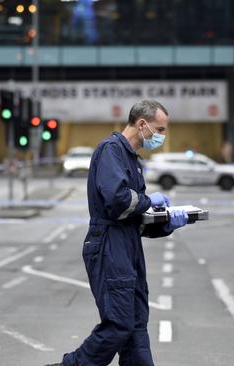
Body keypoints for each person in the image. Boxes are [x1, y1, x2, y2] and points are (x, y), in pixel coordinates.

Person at [47, 100, 189, 366]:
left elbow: (135, 217)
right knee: (120, 324)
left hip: (126, 244)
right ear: (142, 124)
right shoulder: (111, 151)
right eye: (160, 129)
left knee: (136, 325)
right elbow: (118, 202)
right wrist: (149, 201)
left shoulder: (133, 160)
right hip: (109, 246)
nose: (162, 136)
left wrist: (167, 223)